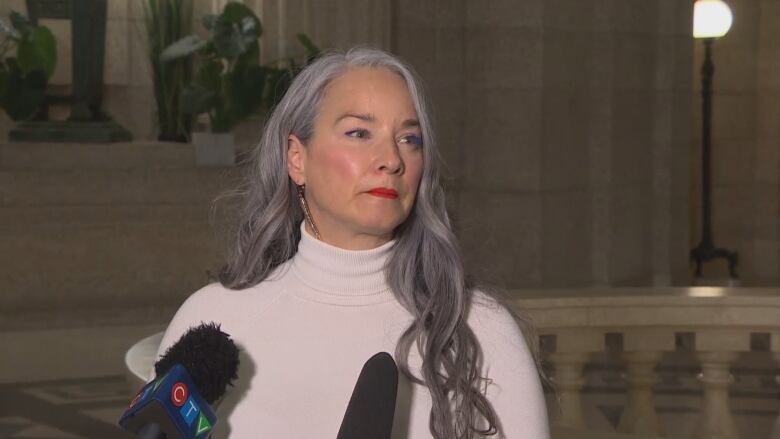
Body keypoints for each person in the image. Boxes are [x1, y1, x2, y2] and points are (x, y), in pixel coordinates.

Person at [155, 47, 549, 438]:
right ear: (297, 158)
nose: (392, 159)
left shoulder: (479, 330)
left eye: (410, 139)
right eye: (359, 132)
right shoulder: (211, 320)